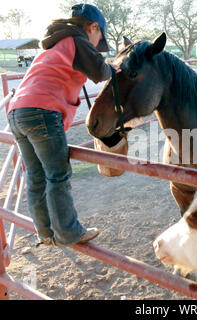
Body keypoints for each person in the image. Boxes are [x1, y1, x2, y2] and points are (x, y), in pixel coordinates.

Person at [7, 4, 115, 247]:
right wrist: (113, 69)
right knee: (58, 174)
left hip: (17, 112)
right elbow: (100, 71)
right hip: (42, 110)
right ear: (93, 27)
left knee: (36, 174)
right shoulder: (77, 39)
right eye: (99, 39)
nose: (98, 45)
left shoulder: (56, 43)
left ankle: (45, 232)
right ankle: (68, 232)